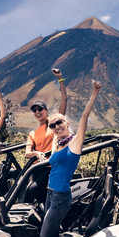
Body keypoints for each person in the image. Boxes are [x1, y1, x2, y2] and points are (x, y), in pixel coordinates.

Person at [39, 80, 101, 237]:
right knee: (53, 233)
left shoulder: (75, 143)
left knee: (46, 236)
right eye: (53, 125)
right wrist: (44, 154)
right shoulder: (58, 144)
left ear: (66, 123)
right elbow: (53, 161)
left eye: (60, 122)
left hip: (60, 197)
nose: (57, 126)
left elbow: (84, 116)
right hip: (51, 193)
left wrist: (94, 93)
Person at [25, 68, 69, 204]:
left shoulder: (53, 125)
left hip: (51, 167)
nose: (37, 112)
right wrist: (36, 153)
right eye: (34, 110)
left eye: (40, 109)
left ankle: (54, 212)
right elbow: (27, 153)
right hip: (37, 167)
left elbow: (65, 99)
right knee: (27, 194)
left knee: (35, 189)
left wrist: (60, 78)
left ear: (46, 111)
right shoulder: (32, 133)